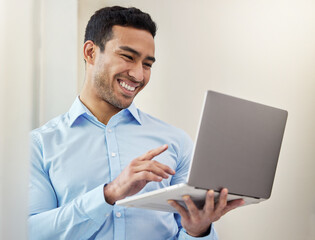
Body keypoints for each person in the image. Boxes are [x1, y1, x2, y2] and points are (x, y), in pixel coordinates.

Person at [29, 6, 244, 240]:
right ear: (90, 52)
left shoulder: (176, 142)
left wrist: (197, 231)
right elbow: (28, 233)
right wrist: (109, 194)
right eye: (128, 57)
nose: (138, 75)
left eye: (147, 64)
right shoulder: (39, 145)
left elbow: (188, 230)